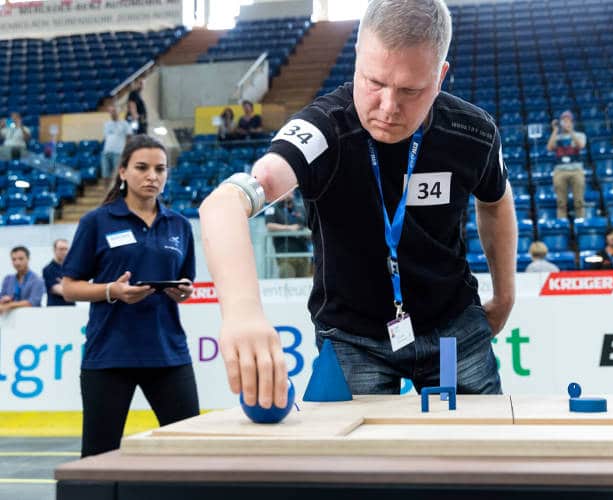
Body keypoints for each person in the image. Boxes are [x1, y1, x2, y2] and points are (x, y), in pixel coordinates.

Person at [199, 0, 517, 411]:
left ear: (439, 77)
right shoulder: (322, 131)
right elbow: (224, 204)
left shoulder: (472, 132)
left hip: (453, 325)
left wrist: (505, 295)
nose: (387, 107)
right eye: (374, 82)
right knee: (350, 472)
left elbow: (495, 200)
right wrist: (242, 313)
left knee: (480, 462)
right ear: (357, 58)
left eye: (410, 91)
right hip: (352, 337)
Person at [61, 135, 200, 457]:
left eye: (160, 169)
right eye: (142, 167)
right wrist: (112, 291)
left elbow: (185, 283)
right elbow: (69, 286)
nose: (153, 175)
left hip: (168, 355)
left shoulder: (179, 225)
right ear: (122, 172)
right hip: (110, 355)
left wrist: (183, 292)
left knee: (190, 453)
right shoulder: (96, 221)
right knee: (98, 456)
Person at [547, 110, 587, 219]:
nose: (566, 123)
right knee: (561, 202)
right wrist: (555, 130)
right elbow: (549, 147)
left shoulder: (580, 135)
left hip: (576, 170)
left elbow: (581, 146)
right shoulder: (557, 137)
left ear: (572, 122)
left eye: (568, 121)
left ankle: (580, 222)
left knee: (579, 201)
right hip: (560, 171)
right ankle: (562, 222)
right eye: (564, 121)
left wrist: (571, 132)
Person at [265, 191, 311, 278]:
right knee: (286, 282)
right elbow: (269, 226)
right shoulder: (273, 208)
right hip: (284, 256)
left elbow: (307, 226)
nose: (291, 192)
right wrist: (289, 228)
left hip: (303, 254)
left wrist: (306, 233)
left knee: (304, 285)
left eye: (291, 190)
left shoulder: (300, 207)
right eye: (287, 190)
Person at [0, 246, 45, 314]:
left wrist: (9, 305)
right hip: (10, 321)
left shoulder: (37, 281)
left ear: (28, 259)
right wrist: (4, 300)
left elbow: (32, 302)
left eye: (21, 259)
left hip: (31, 318)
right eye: (14, 259)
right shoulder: (8, 279)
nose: (17, 263)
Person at [102, 103, 132, 180]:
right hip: (107, 152)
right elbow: (106, 138)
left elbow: (129, 137)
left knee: (117, 175)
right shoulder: (107, 124)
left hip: (118, 152)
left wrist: (126, 150)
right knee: (105, 175)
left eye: (114, 111)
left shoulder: (124, 124)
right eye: (111, 111)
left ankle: (117, 191)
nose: (112, 113)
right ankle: (108, 192)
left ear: (118, 112)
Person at [42, 239, 75, 306]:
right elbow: (62, 291)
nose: (64, 252)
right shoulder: (48, 269)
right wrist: (71, 284)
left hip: (72, 308)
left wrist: (64, 284)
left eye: (66, 249)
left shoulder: (72, 268)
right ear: (54, 250)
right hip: (55, 309)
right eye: (61, 249)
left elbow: (79, 289)